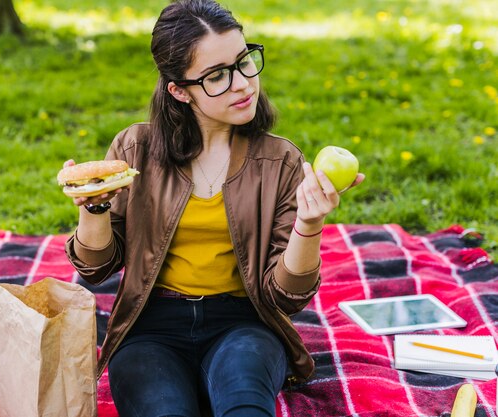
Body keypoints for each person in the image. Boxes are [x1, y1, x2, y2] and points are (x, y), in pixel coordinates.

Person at [63, 1, 364, 416]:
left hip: (245, 323)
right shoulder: (136, 150)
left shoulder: (280, 162)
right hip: (150, 327)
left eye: (244, 62)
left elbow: (287, 296)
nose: (242, 84)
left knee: (245, 407)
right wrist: (93, 205)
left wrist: (309, 224)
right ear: (179, 90)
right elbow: (96, 268)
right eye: (218, 76)